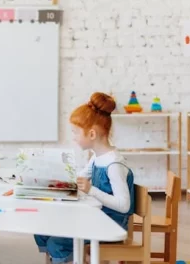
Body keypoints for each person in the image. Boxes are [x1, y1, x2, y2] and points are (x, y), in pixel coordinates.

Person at [34, 92, 135, 264]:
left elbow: (124, 206)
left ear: (92, 134)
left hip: (109, 223)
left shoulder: (114, 165)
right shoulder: (97, 157)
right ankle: (71, 258)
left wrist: (91, 190)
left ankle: (70, 257)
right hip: (96, 216)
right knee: (42, 231)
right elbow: (80, 177)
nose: (73, 138)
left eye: (75, 132)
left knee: (57, 243)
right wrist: (55, 178)